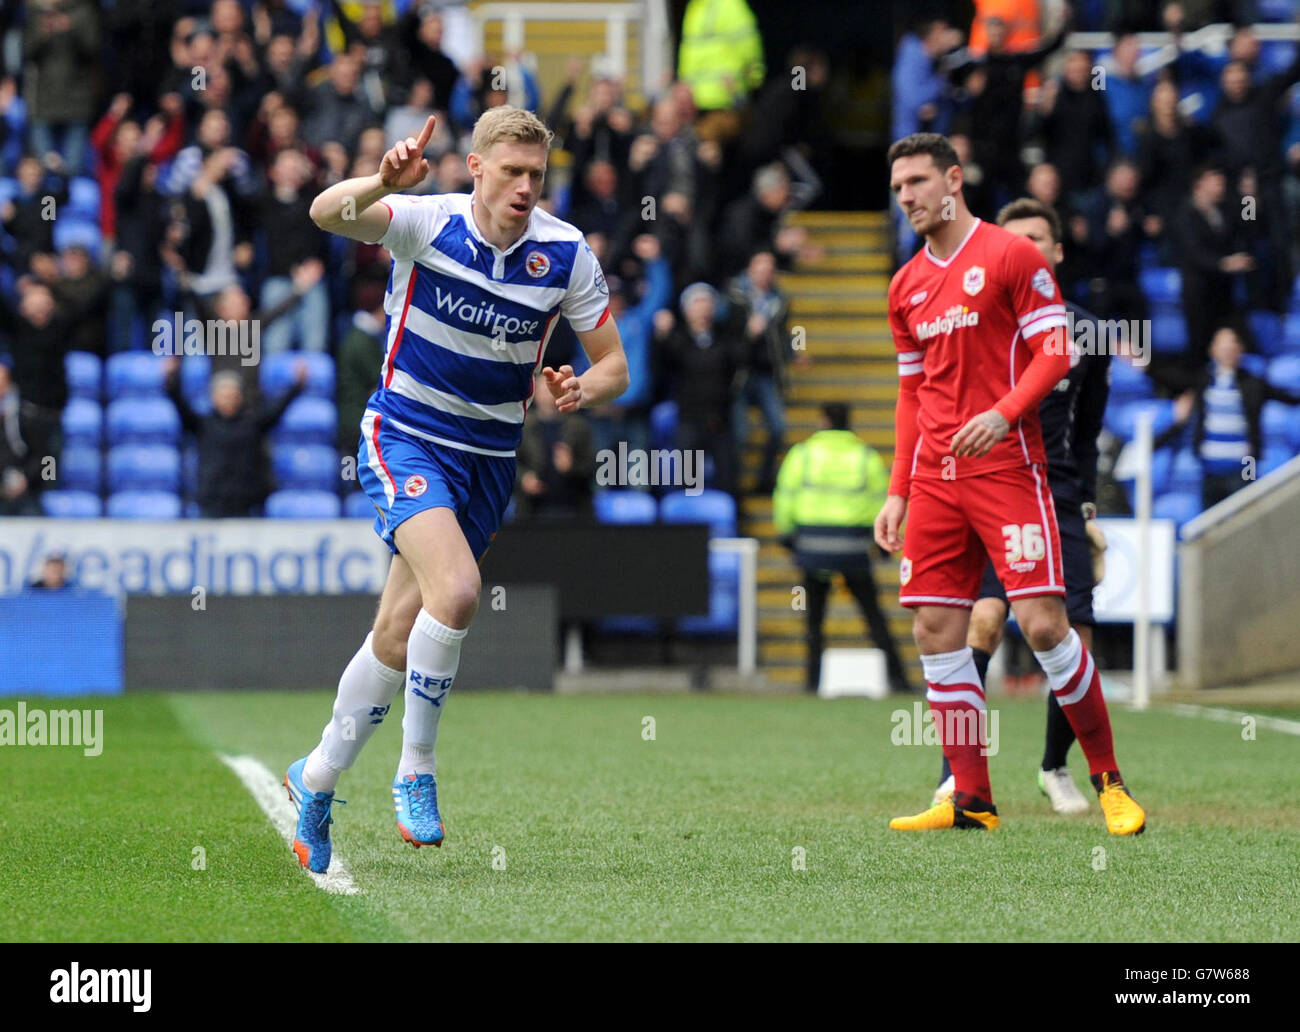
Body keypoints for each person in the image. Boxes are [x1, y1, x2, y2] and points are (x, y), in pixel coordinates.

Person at [286, 108, 627, 873]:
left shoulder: (566, 253)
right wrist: (381, 178)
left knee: (398, 633)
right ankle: (417, 768)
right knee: (461, 591)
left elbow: (615, 365)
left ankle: (315, 782)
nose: (526, 187)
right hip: (405, 433)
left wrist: (581, 388)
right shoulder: (426, 221)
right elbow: (323, 213)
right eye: (511, 171)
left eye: (537, 175)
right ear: (474, 167)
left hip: (487, 459)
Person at [878, 132, 1144, 835]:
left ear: (954, 180)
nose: (906, 196)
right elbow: (911, 396)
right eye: (898, 185)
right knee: (937, 629)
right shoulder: (904, 286)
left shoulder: (1011, 255)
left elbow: (1056, 353)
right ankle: (972, 800)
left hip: (1009, 468)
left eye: (917, 182)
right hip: (936, 477)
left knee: (1045, 625)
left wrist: (1002, 416)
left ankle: (1108, 781)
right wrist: (898, 489)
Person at [927, 197, 1111, 816]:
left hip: (1056, 497)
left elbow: (1085, 436)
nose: (1025, 249)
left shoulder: (1087, 333)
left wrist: (1087, 510)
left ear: (1056, 251)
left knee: (1070, 633)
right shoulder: (973, 322)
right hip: (989, 489)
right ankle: (959, 778)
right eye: (1015, 240)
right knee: (977, 623)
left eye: (1037, 238)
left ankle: (1057, 769)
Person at [773, 402, 912, 695]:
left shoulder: (803, 454)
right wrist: (882, 544)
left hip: (812, 548)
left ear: (822, 420)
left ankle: (812, 681)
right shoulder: (865, 456)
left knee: (815, 620)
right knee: (873, 616)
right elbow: (880, 500)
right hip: (853, 548)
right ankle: (899, 679)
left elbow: (785, 495)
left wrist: (787, 535)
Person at [1156, 324, 1300, 510]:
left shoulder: (1252, 382)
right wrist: (1142, 364)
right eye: (1222, 345)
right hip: (1210, 468)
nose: (1227, 350)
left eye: (1232, 344)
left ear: (1240, 349)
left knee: (1245, 517)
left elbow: (1288, 398)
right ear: (1213, 349)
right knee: (1209, 522)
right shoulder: (1203, 380)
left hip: (1244, 466)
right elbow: (1171, 378)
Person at [163, 357, 307, 518]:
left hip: (247, 504)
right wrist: (170, 380)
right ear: (214, 398)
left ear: (239, 397)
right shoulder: (203, 425)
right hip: (211, 503)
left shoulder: (253, 423)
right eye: (224, 395)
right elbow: (180, 405)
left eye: (232, 395)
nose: (228, 400)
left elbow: (278, 408)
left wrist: (297, 385)